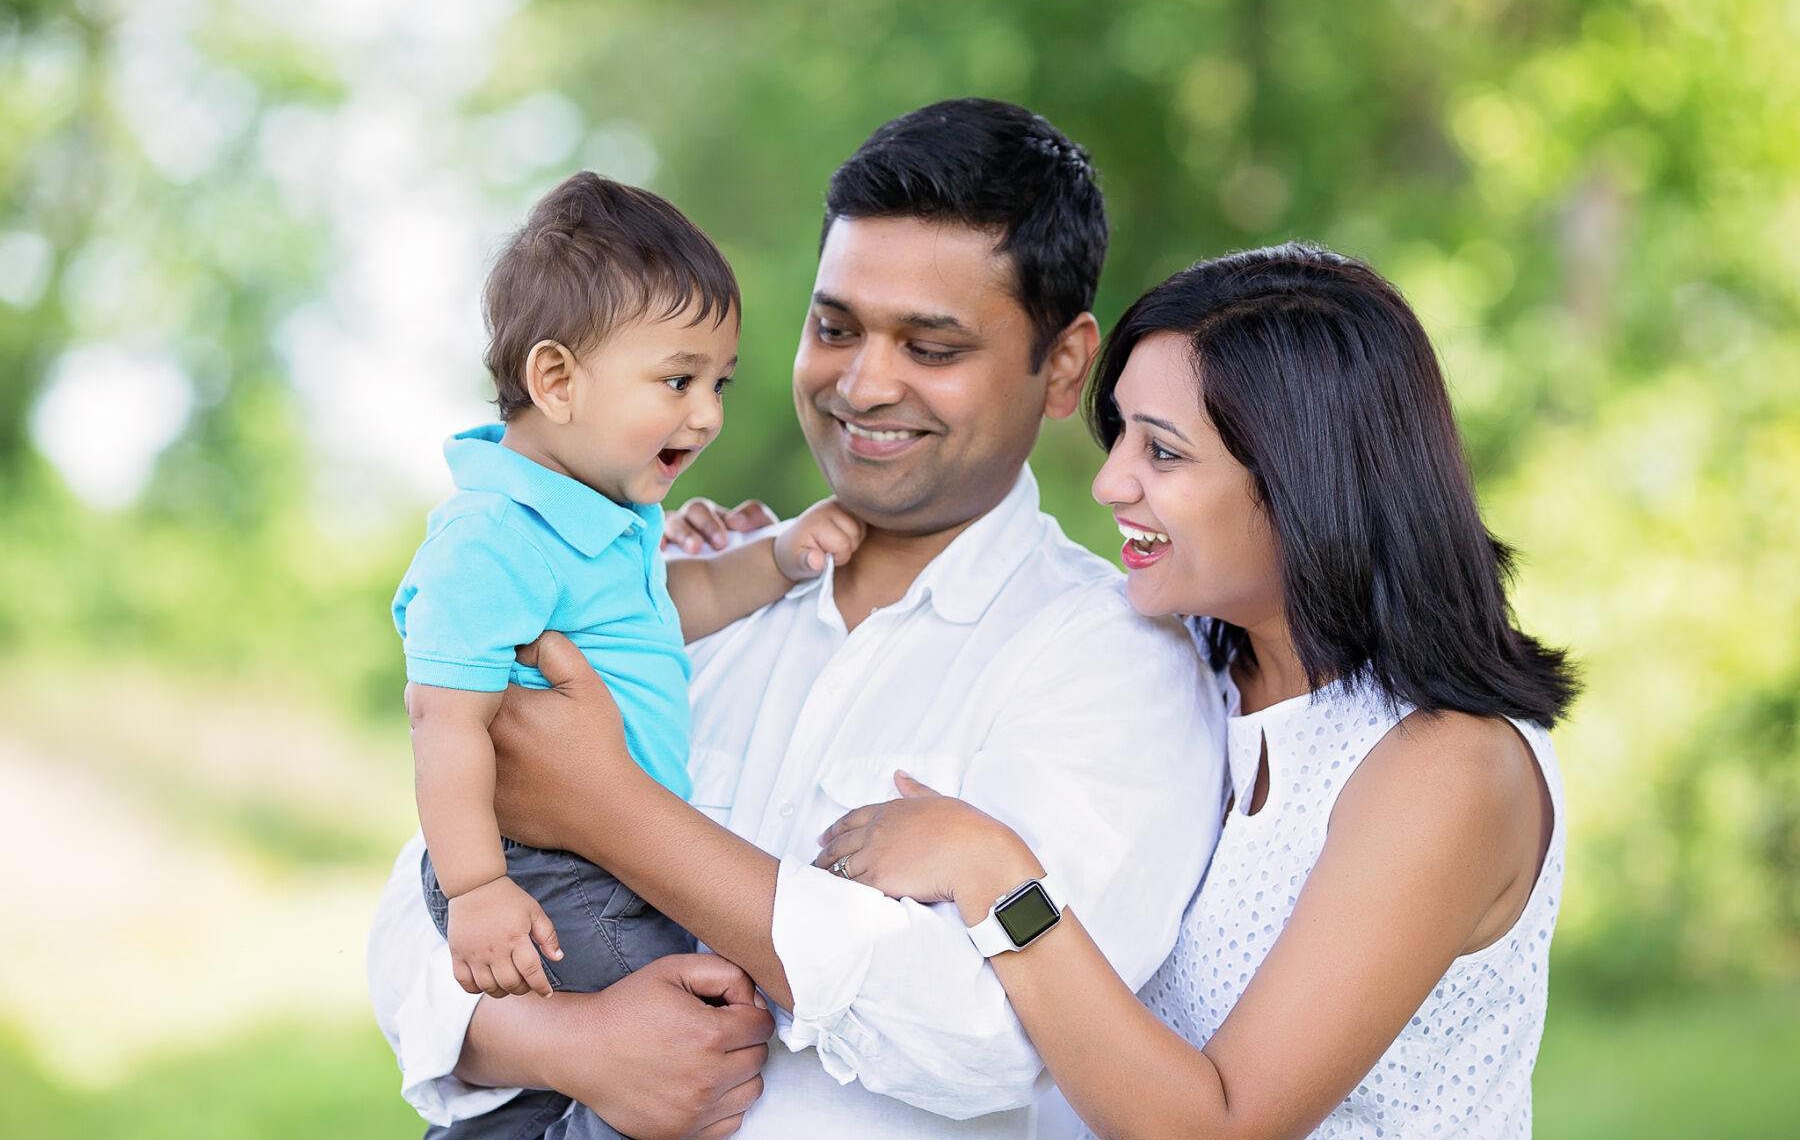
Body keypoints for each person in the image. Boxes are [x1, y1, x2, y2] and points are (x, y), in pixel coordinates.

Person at [367, 99, 1229, 1139]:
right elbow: (412, 928)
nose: (863, 384)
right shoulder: (682, 576)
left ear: (1060, 366)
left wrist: (611, 812)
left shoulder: (1110, 661)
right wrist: (568, 1048)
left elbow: (994, 1037)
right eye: (835, 328)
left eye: (933, 347)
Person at [814, 242, 1578, 1139]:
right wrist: (739, 570)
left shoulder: (1445, 767)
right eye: (1121, 435)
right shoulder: (1200, 674)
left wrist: (994, 875)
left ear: (1304, 482)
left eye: (1162, 453)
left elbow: (1221, 1126)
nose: (1109, 482)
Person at [390, 171, 863, 1139]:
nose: (706, 418)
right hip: (538, 865)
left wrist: (775, 558)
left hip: (590, 855)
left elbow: (677, 604)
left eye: (718, 385)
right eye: (678, 381)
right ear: (557, 381)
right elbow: (445, 719)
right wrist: (480, 889)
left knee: (581, 1072)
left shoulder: (609, 522)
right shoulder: (495, 536)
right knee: (685, 1030)